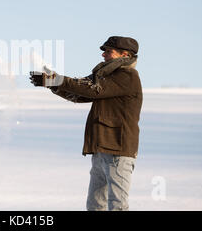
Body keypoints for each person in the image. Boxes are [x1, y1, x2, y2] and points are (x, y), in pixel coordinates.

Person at [29, 36, 142, 211]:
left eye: (108, 51)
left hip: (118, 151)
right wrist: (52, 84)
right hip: (101, 149)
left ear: (124, 55)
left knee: (117, 205)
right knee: (95, 205)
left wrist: (57, 80)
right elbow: (81, 93)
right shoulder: (107, 76)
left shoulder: (127, 76)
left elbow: (92, 89)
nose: (103, 54)